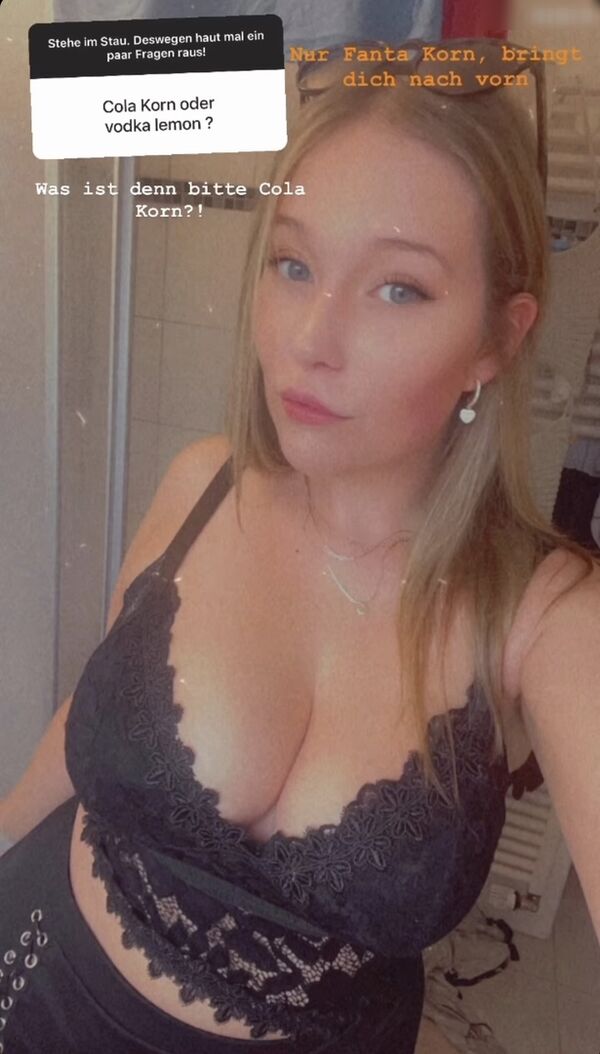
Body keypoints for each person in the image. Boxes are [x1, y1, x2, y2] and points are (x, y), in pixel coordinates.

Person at [1, 43, 600, 1054]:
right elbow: (84, 718)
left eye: (398, 289)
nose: (310, 339)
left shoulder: (546, 616)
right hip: (37, 977)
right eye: (293, 264)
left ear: (498, 340)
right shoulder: (203, 484)